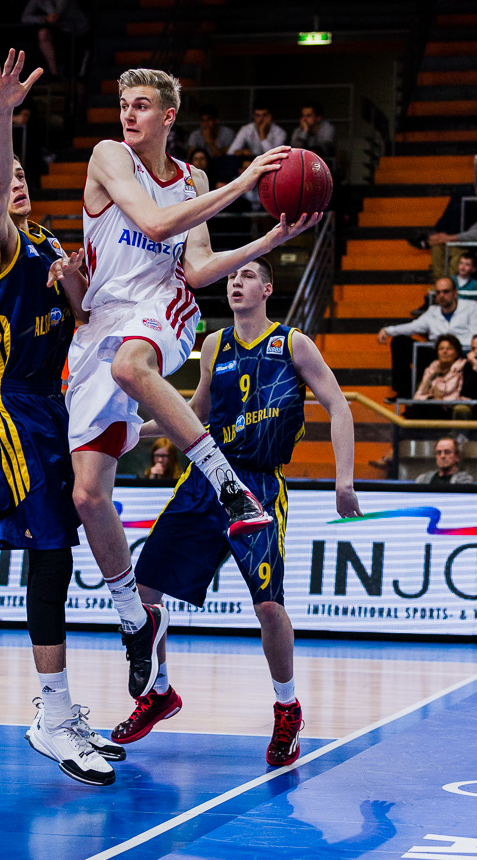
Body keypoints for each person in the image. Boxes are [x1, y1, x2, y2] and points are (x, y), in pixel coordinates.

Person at [63, 66, 321, 707]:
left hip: (161, 312)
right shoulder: (108, 157)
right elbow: (152, 223)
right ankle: (134, 617)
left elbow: (199, 269)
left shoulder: (194, 180)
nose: (129, 114)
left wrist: (269, 238)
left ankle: (228, 487)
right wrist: (244, 184)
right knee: (89, 497)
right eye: (124, 103)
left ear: (169, 116)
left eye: (142, 105)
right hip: (99, 323)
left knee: (133, 366)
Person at [110, 257, 361, 764]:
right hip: (208, 478)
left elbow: (339, 405)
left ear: (268, 288)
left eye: (247, 276)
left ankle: (287, 708)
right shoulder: (214, 344)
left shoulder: (292, 343)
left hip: (261, 486)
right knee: (145, 586)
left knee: (269, 606)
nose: (236, 282)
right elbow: (197, 414)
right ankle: (159, 691)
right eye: (231, 277)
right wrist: (133, 429)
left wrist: (345, 478)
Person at [0, 48, 123, 787]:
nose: (16, 183)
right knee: (51, 550)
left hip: (53, 403)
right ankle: (52, 715)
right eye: (8, 178)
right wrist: (1, 115)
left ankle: (55, 706)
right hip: (9, 403)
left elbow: (84, 318)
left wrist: (77, 283)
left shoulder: (51, 246)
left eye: (26, 176)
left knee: (59, 554)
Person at [377, 277, 477, 401]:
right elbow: (413, 326)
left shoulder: (470, 307)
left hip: (463, 354)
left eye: (445, 291)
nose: (441, 295)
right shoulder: (432, 311)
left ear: (455, 293)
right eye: (438, 292)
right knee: (400, 341)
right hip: (437, 354)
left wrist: (460, 349)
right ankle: (403, 393)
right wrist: (387, 330)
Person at [21, 0, 91, 80]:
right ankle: (55, 74)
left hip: (78, 33)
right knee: (43, 34)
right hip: (61, 32)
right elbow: (25, 17)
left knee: (78, 77)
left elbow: (55, 16)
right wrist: (43, 19)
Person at [407, 333, 465, 419]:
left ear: (456, 353)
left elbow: (460, 396)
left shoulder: (462, 369)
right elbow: (418, 396)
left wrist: (441, 400)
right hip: (431, 406)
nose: (444, 352)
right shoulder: (431, 369)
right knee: (412, 410)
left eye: (449, 349)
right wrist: (431, 398)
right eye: (441, 349)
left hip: (450, 408)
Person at [290, 101, 336, 166]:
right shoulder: (298, 130)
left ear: (318, 117)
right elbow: (295, 151)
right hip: (301, 164)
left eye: (308, 116)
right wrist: (305, 132)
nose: (304, 120)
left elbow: (323, 150)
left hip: (324, 165)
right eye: (303, 116)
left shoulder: (327, 128)